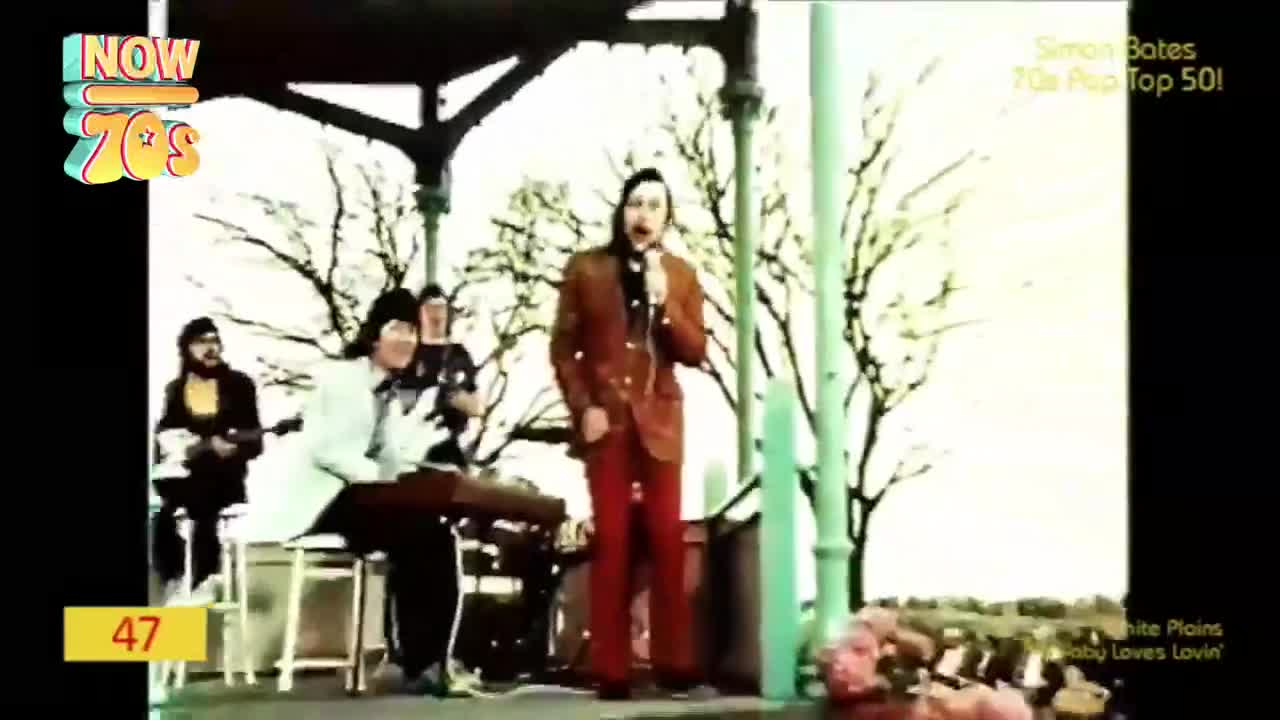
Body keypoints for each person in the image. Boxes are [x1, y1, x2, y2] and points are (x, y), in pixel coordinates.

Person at [265, 288, 478, 697]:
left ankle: (430, 661)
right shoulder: (344, 378)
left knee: (433, 532)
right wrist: (383, 480)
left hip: (361, 495)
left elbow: (390, 456)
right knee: (418, 533)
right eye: (397, 328)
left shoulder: (390, 391)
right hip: (324, 498)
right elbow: (330, 452)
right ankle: (420, 661)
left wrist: (414, 472)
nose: (407, 339)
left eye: (413, 331)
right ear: (374, 335)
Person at [548, 167, 708, 699]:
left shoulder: (681, 274)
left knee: (667, 539)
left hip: (661, 421)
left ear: (667, 218)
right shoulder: (587, 269)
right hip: (608, 421)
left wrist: (665, 305)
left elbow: (695, 350)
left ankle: (673, 662)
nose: (644, 215)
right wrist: (582, 407)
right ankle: (611, 669)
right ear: (622, 211)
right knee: (612, 540)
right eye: (636, 204)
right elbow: (563, 348)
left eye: (655, 206)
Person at [152, 317, 263, 599]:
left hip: (224, 477)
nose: (210, 348)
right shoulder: (176, 390)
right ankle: (174, 578)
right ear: (187, 349)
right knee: (162, 516)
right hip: (183, 477)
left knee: (204, 497)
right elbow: (166, 437)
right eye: (202, 342)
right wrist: (187, 446)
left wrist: (231, 448)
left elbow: (255, 441)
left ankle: (207, 577)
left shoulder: (239, 384)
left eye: (214, 341)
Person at [398, 283, 483, 469]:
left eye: (441, 308)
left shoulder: (459, 353)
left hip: (452, 448)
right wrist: (428, 398)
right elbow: (399, 406)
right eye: (429, 308)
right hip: (414, 448)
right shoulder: (408, 351)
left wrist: (452, 397)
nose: (436, 314)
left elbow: (477, 407)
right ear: (419, 314)